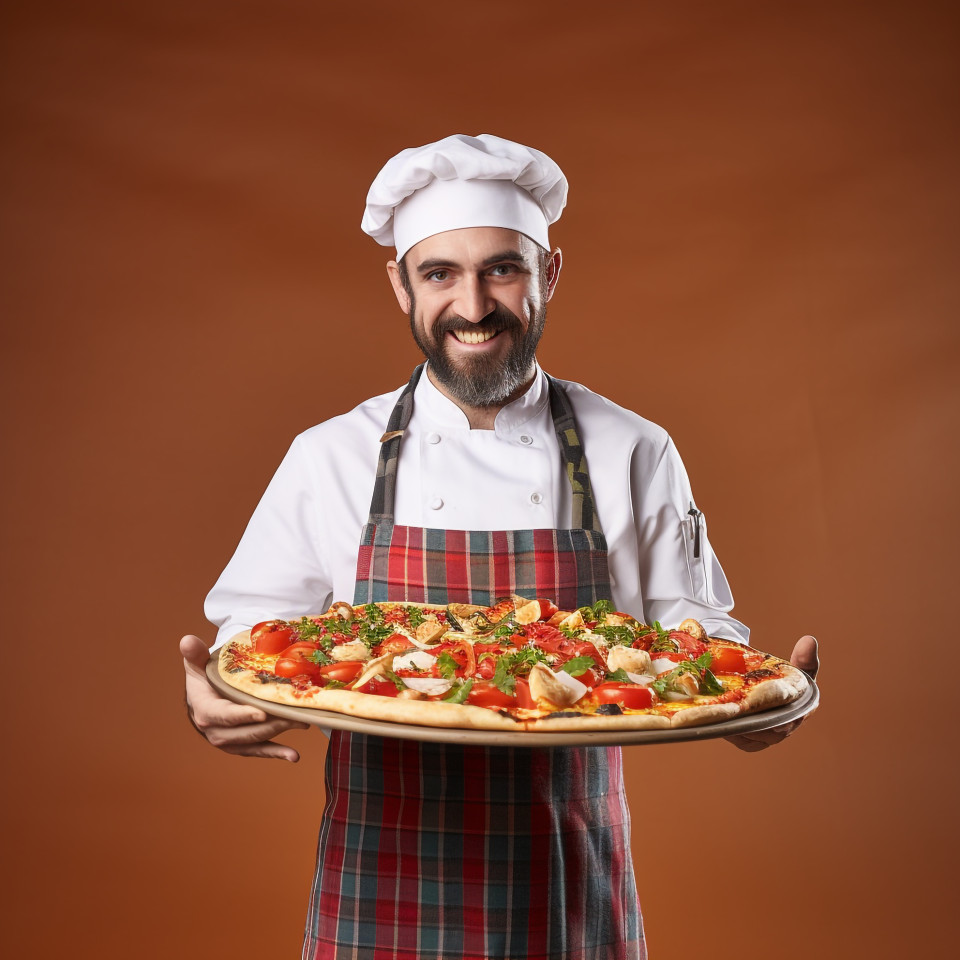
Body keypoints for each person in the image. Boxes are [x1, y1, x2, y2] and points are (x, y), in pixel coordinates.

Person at [181, 134, 819, 959]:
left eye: (503, 269)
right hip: (382, 875)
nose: (474, 305)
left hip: (567, 874)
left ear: (549, 273)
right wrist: (219, 696)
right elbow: (254, 640)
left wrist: (755, 707)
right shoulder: (330, 454)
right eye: (440, 272)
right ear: (400, 286)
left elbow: (697, 646)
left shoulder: (632, 448)